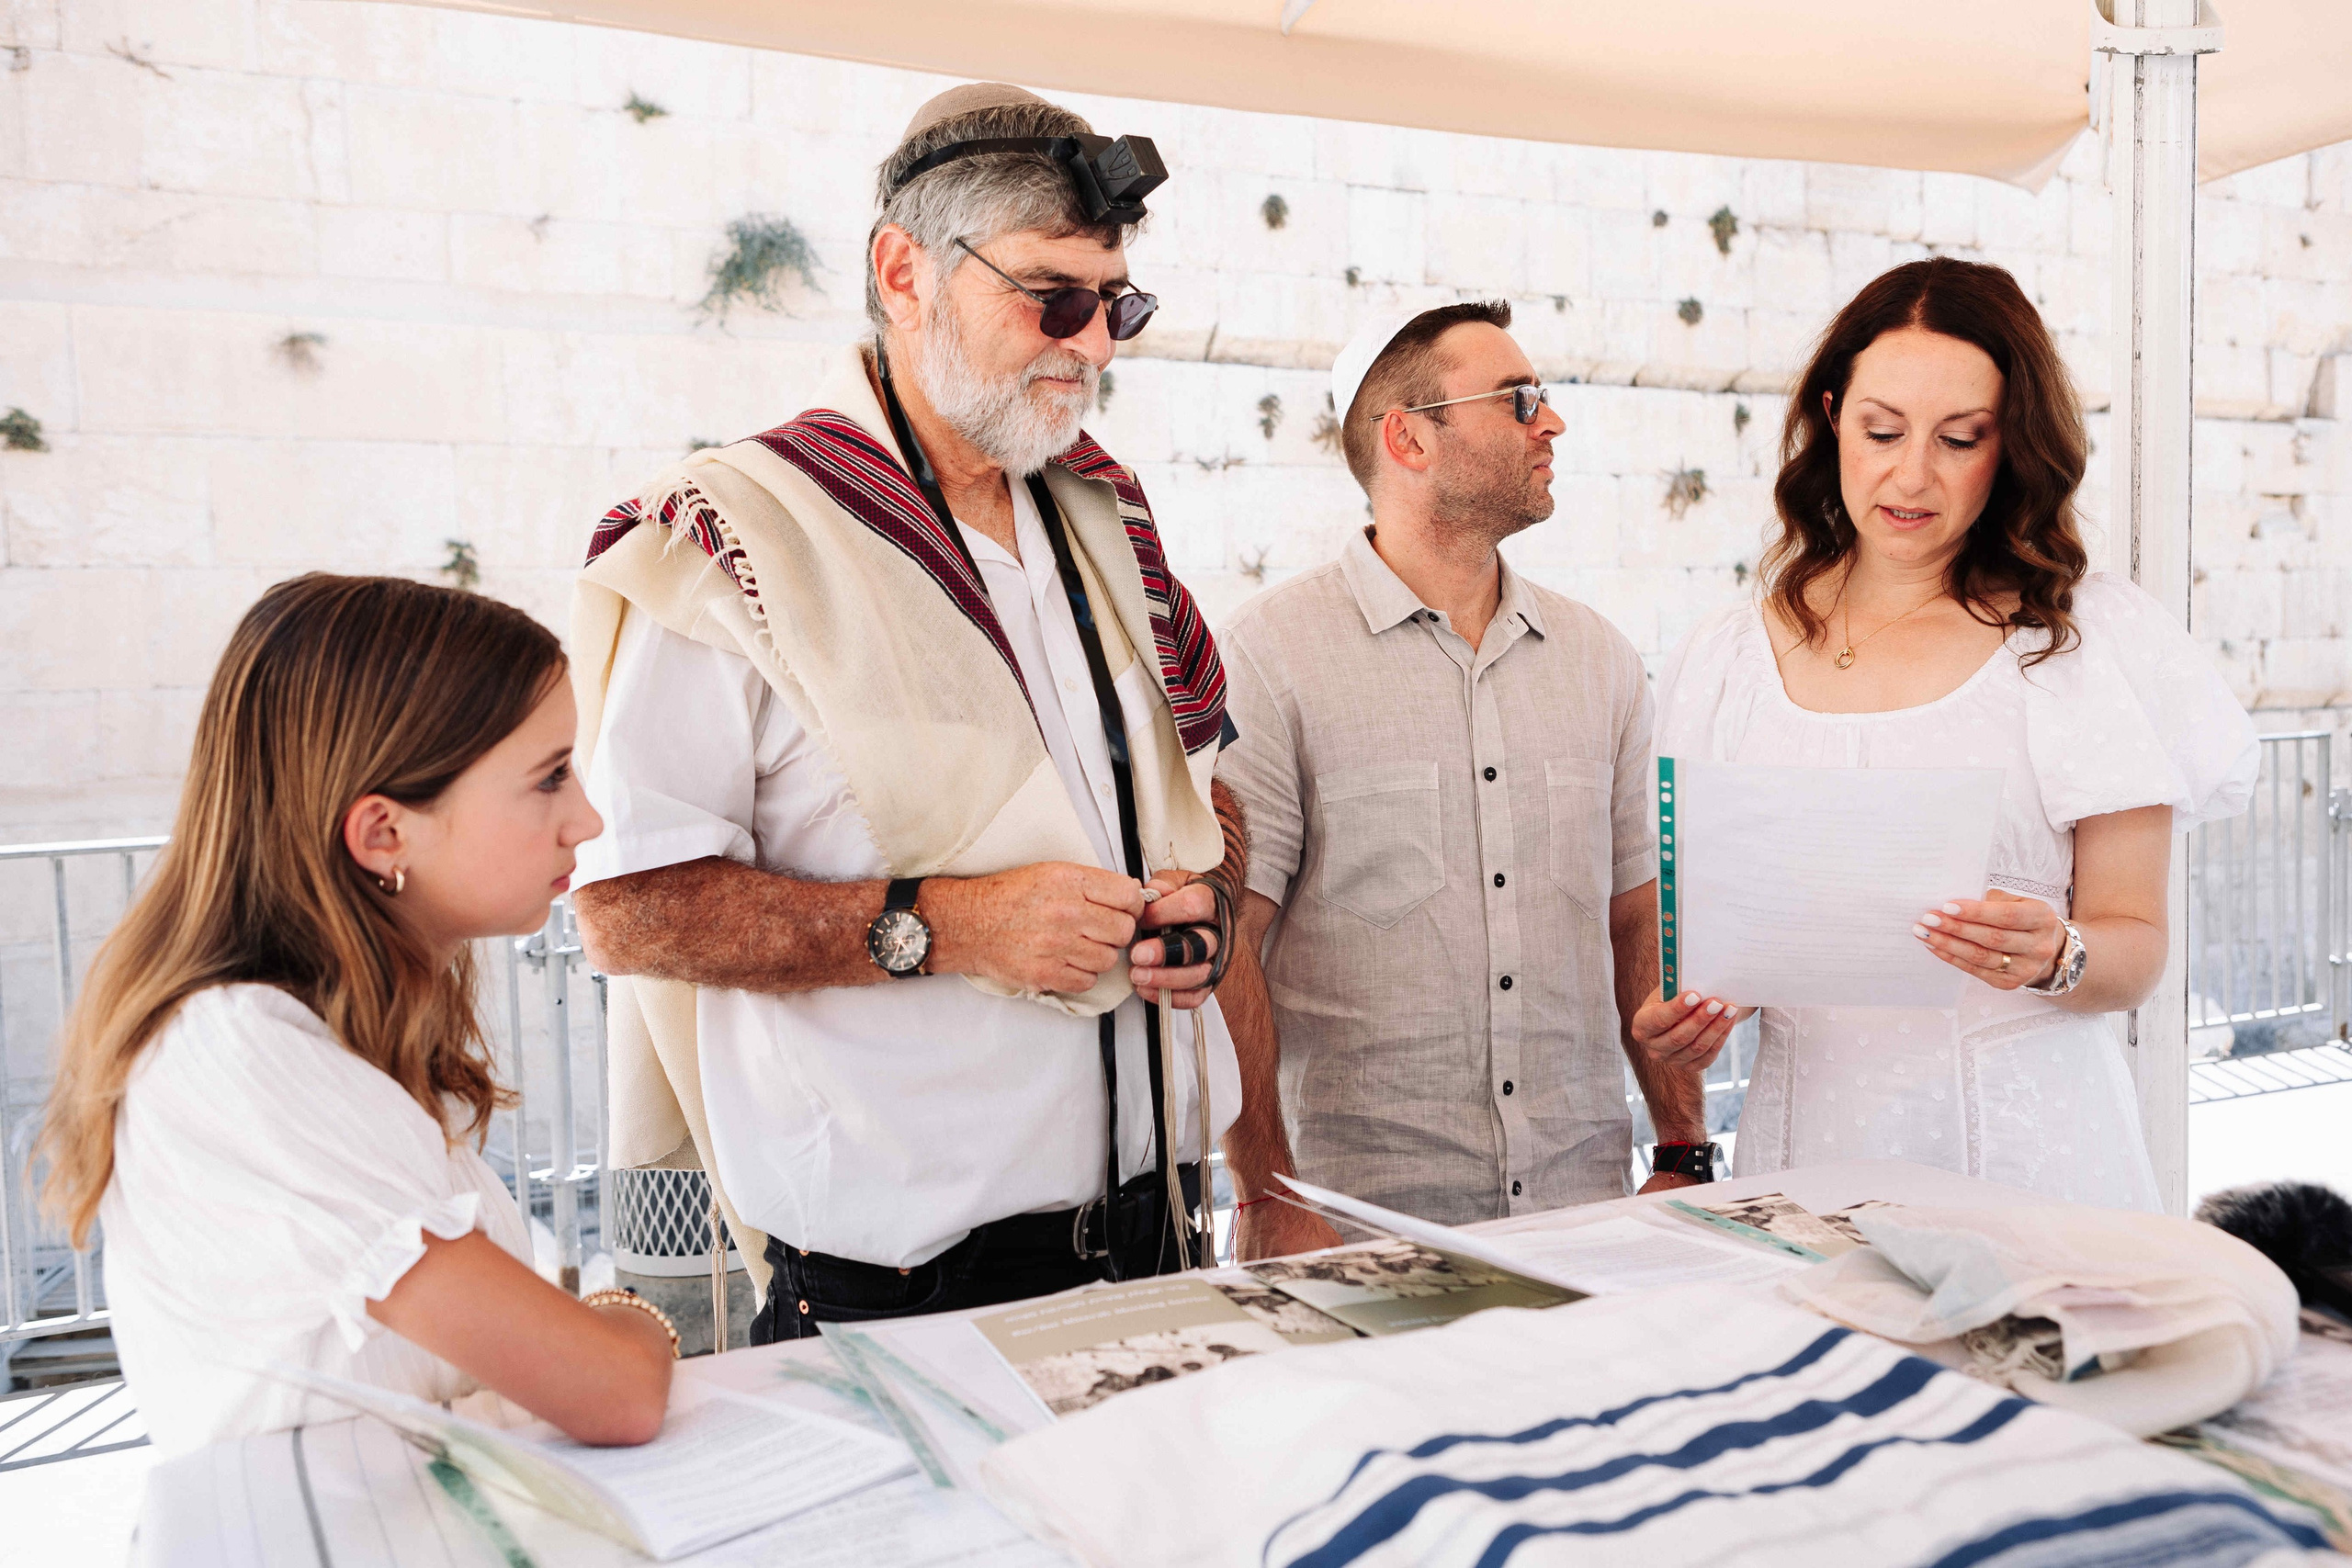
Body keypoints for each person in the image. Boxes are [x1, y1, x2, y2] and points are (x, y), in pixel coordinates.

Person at [570, 82, 1250, 1339]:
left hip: (1163, 1256)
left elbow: (1206, 802)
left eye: (1118, 305)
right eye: (1053, 298)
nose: (1095, 345)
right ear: (905, 272)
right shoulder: (741, 535)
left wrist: (1198, 907)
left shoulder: (1103, 517)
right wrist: (944, 927)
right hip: (905, 1306)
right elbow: (627, 908)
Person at [1650, 257, 2257, 1210]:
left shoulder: (2082, 640)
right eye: (1880, 430)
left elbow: (2136, 946)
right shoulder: (1727, 657)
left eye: (1959, 439)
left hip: (2034, 1158)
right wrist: (1688, 1015)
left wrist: (2061, 953)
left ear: (2009, 447)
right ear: (1829, 417)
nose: (1910, 474)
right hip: (1808, 1161)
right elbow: (1708, 948)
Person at [38, 575, 675, 1459]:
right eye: (550, 778)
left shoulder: (322, 1038)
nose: (587, 818)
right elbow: (616, 1390)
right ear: (383, 834)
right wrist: (632, 1316)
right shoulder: (241, 1056)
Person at [1211, 301, 1745, 1251]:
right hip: (1360, 1228)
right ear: (1409, 438)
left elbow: (1636, 916)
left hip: (1586, 1218)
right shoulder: (1268, 657)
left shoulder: (1601, 660)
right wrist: (1266, 1197)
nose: (1553, 422)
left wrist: (1684, 1144)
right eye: (1519, 399)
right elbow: (1229, 944)